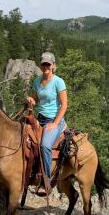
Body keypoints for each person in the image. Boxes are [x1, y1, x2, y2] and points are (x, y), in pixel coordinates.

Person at [26, 52, 67, 184]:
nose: (45, 67)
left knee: (44, 146)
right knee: (23, 139)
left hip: (55, 120)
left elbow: (64, 104)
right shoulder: (37, 81)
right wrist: (31, 100)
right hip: (40, 118)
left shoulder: (58, 82)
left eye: (48, 64)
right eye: (43, 64)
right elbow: (36, 99)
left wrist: (55, 123)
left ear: (53, 65)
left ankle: (46, 179)